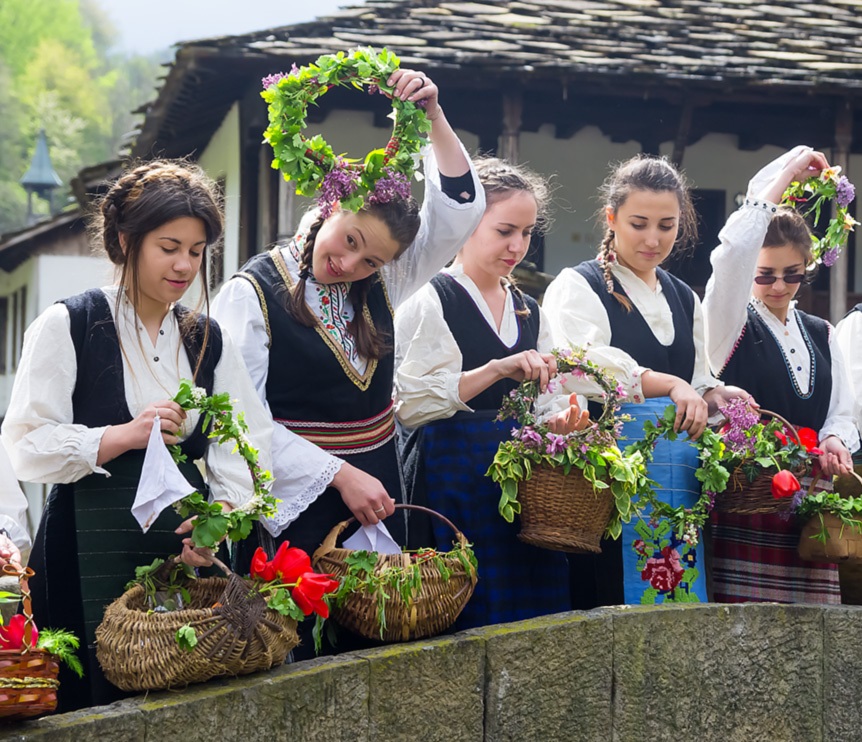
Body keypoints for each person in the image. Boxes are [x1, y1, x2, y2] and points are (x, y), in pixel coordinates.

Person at [211, 69, 484, 654]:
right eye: (351, 239)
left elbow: (459, 210)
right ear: (331, 204)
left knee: (379, 640)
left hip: (380, 489)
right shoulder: (251, 293)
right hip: (296, 501)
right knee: (301, 647)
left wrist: (434, 116)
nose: (353, 263)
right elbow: (241, 419)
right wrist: (340, 474)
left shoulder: (386, 280)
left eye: (371, 260)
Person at [1, 160, 273, 711]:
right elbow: (26, 445)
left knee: (180, 693)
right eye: (168, 246)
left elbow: (246, 447)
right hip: (87, 542)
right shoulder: (70, 324)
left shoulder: (206, 340)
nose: (184, 265)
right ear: (127, 241)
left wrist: (221, 516)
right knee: (90, 699)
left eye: (196, 252)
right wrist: (123, 435)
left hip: (181, 555)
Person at [394, 157, 592, 629]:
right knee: (461, 605)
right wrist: (493, 370)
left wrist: (560, 422)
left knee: (529, 612)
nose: (517, 246)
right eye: (505, 230)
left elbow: (550, 399)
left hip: (520, 489)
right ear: (467, 224)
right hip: (450, 476)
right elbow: (410, 405)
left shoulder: (529, 311)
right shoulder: (432, 298)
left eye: (526, 233)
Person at [541, 155, 747, 607]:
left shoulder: (683, 297)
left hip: (677, 488)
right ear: (611, 218)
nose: (653, 239)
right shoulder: (579, 286)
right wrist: (668, 383)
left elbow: (697, 380)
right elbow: (579, 367)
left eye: (667, 225)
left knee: (676, 602)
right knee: (606, 601)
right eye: (639, 223)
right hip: (605, 488)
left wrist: (719, 395)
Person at [703, 145, 859, 604]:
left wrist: (834, 440)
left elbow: (841, 412)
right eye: (764, 275)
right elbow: (731, 257)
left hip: (812, 512)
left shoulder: (824, 333)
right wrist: (785, 175)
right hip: (748, 502)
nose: (778, 286)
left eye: (791, 275)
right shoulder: (728, 323)